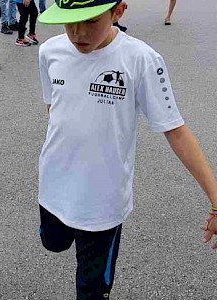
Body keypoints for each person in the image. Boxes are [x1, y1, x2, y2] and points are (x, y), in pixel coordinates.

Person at [37, 1, 217, 299]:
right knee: (53, 243)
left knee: (90, 290)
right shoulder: (49, 51)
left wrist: (215, 198)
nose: (78, 33)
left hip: (103, 203)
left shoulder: (141, 59)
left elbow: (175, 129)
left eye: (90, 21)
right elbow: (54, 107)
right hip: (52, 186)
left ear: (118, 11)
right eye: (70, 22)